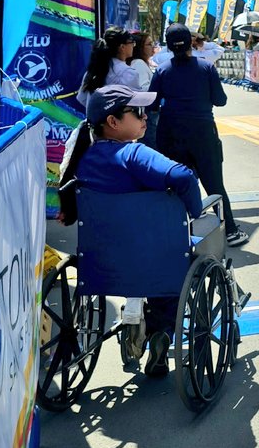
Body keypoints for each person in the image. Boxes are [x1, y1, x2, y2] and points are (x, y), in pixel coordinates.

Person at [70, 85, 203, 377]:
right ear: (113, 122)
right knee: (181, 257)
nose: (145, 118)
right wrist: (197, 213)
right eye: (137, 112)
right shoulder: (133, 154)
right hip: (152, 258)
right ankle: (161, 333)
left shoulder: (85, 159)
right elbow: (182, 176)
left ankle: (139, 327)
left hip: (104, 261)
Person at [149, 24, 249, 247]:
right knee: (214, 184)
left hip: (171, 134)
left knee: (173, 185)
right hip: (203, 133)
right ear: (190, 43)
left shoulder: (162, 70)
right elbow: (220, 100)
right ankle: (231, 231)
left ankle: (176, 234)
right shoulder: (206, 68)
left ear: (168, 45)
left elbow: (152, 104)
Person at [77, 27, 140, 113]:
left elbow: (82, 98)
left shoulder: (94, 69)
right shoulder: (128, 73)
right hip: (117, 124)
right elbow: (135, 104)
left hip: (94, 123)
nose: (133, 45)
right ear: (122, 47)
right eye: (132, 43)